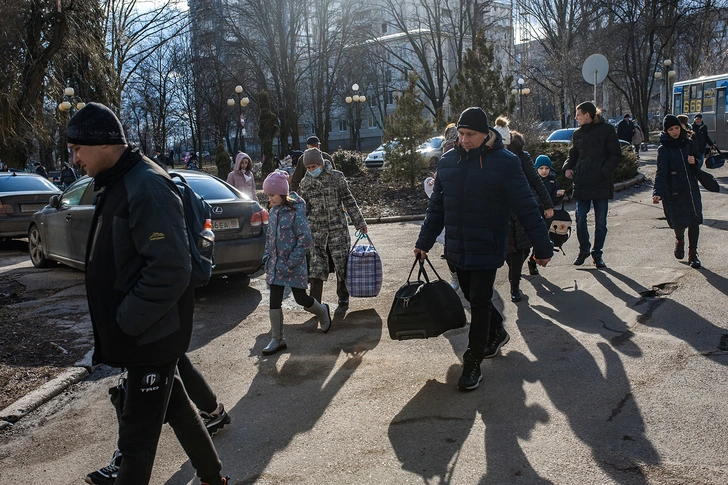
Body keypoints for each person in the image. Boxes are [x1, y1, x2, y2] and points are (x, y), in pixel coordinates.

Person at [66, 102, 228, 485]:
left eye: (77, 148)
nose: (73, 158)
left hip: (150, 334)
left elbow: (170, 271)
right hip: (145, 334)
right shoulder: (121, 179)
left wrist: (125, 323)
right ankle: (213, 478)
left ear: (103, 143)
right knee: (177, 406)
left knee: (136, 442)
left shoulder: (147, 185)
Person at [413, 107, 553, 392]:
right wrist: (423, 242)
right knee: (470, 293)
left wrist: (543, 245)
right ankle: (498, 330)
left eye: (470, 135)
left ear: (485, 134)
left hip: (488, 244)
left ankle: (473, 360)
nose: (463, 140)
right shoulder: (448, 162)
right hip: (457, 246)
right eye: (461, 134)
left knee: (478, 300)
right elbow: (437, 207)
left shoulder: (505, 162)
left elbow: (526, 206)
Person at [85, 353, 232, 483]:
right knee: (178, 405)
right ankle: (213, 480)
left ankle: (123, 464)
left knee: (138, 427)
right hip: (156, 337)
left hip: (147, 340)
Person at [260, 170, 332, 355]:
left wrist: (292, 260)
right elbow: (270, 238)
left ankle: (322, 311)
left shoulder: (296, 211)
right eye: (268, 195)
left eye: (272, 194)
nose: (270, 198)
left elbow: (305, 239)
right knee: (274, 301)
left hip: (293, 265)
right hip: (276, 266)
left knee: (301, 299)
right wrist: (267, 257)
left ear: (283, 193)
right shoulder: (273, 211)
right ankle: (278, 339)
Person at [298, 148, 367, 307]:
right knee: (316, 267)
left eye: (313, 166)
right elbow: (304, 208)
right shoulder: (306, 183)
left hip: (337, 229)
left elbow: (348, 200)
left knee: (341, 264)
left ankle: (343, 295)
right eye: (308, 168)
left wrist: (360, 222)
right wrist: (301, 228)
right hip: (317, 231)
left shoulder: (336, 177)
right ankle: (315, 303)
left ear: (321, 164)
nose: (311, 170)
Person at [562, 101, 622, 269]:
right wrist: (568, 167)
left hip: (601, 182)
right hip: (582, 181)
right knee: (580, 217)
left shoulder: (607, 130)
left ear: (587, 115)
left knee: (600, 221)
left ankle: (597, 254)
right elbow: (573, 154)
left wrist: (603, 172)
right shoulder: (577, 134)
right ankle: (584, 250)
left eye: (578, 114)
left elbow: (616, 155)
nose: (576, 118)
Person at [504, 131, 554, 296]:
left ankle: (514, 286)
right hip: (502, 210)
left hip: (522, 208)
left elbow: (536, 181)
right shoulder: (495, 157)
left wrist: (547, 205)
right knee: (510, 250)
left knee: (521, 249)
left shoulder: (522, 158)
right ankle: (514, 282)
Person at [652, 115, 704, 269]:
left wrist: (696, 162)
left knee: (695, 220)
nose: (674, 132)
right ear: (666, 131)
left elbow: (698, 163)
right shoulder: (664, 149)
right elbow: (661, 172)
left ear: (680, 128)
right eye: (670, 129)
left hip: (691, 189)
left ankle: (693, 254)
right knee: (679, 222)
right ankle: (679, 239)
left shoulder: (688, 144)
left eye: (676, 128)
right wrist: (657, 192)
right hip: (673, 191)